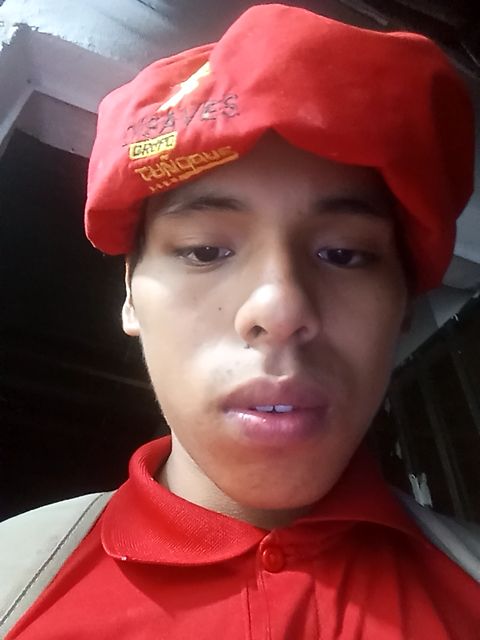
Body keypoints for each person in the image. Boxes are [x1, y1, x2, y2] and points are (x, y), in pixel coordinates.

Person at [1, 4, 479, 639]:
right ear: (131, 296)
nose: (280, 310)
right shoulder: (12, 588)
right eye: (205, 251)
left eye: (343, 254)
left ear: (403, 306)